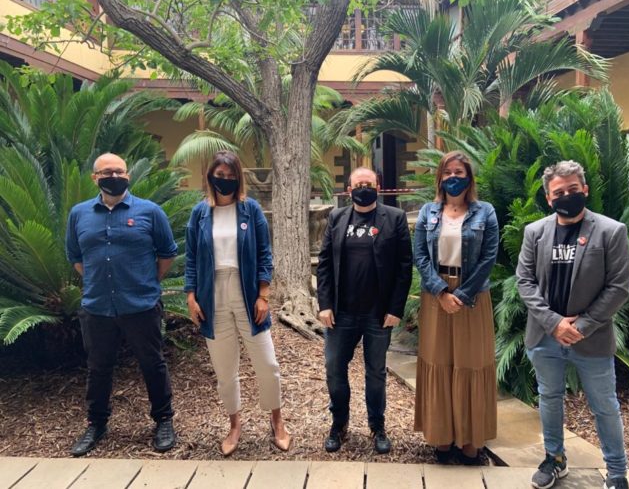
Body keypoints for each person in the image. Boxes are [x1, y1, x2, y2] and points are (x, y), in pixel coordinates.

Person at [516, 160, 629, 489]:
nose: (567, 196)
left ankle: (617, 472)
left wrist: (582, 324)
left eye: (572, 189)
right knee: (549, 398)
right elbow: (524, 282)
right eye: (559, 192)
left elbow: (619, 286)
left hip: (590, 338)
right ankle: (555, 459)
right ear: (549, 198)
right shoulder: (535, 233)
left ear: (585, 190)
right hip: (545, 336)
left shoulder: (611, 231)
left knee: (604, 406)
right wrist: (554, 323)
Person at [66, 153, 178, 456]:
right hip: (97, 307)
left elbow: (167, 253)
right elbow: (76, 257)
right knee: (98, 368)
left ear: (128, 175)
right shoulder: (79, 214)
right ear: (95, 178)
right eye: (106, 172)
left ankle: (164, 420)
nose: (114, 176)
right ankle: (96, 423)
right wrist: (100, 281)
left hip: (140, 304)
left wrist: (145, 281)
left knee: (152, 363)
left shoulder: (150, 212)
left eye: (119, 171)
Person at [184, 150, 291, 455]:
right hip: (212, 292)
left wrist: (263, 295)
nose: (225, 181)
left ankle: (277, 421)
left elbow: (264, 254)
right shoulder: (199, 213)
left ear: (238, 178)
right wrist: (191, 296)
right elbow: (191, 257)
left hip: (246, 292)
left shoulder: (250, 210)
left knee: (268, 365)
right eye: (221, 176)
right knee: (224, 369)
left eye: (231, 177)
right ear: (210, 177)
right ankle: (234, 425)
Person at [316, 167, 412, 454]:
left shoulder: (394, 218)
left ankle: (377, 426)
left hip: (378, 314)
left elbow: (404, 267)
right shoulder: (337, 217)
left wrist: (396, 308)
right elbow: (324, 264)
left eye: (369, 183)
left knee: (376, 372)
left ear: (378, 186)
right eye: (358, 184)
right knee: (334, 368)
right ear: (349, 189)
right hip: (341, 313)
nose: (364, 187)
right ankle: (339, 424)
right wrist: (325, 304)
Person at [413, 150, 498, 465]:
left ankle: (470, 441)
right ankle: (443, 439)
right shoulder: (427, 212)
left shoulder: (485, 212)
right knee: (439, 362)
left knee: (471, 364)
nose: (453, 177)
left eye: (459, 171)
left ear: (469, 176)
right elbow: (420, 255)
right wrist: (440, 291)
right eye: (447, 172)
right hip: (436, 298)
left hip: (472, 298)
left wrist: (461, 294)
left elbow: (489, 257)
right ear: (440, 177)